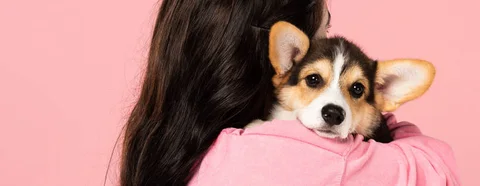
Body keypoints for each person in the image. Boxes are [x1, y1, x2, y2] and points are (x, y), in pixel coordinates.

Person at [120, 0, 460, 185]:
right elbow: (437, 170)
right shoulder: (330, 158)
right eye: (324, 26)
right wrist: (380, 118)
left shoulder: (173, 146)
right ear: (282, 57)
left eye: (354, 89)